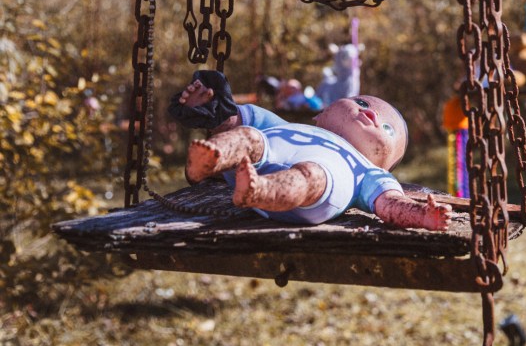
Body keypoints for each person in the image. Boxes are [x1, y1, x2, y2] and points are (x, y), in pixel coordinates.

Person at [174, 77, 452, 231]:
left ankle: (260, 190)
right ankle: (210, 161)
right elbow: (238, 121)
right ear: (322, 114)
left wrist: (422, 216)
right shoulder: (289, 128)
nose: (370, 113)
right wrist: (213, 110)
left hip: (312, 191)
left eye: (387, 128)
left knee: (310, 176)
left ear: (384, 165)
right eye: (363, 102)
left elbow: (390, 205)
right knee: (249, 137)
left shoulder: (366, 171)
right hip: (254, 159)